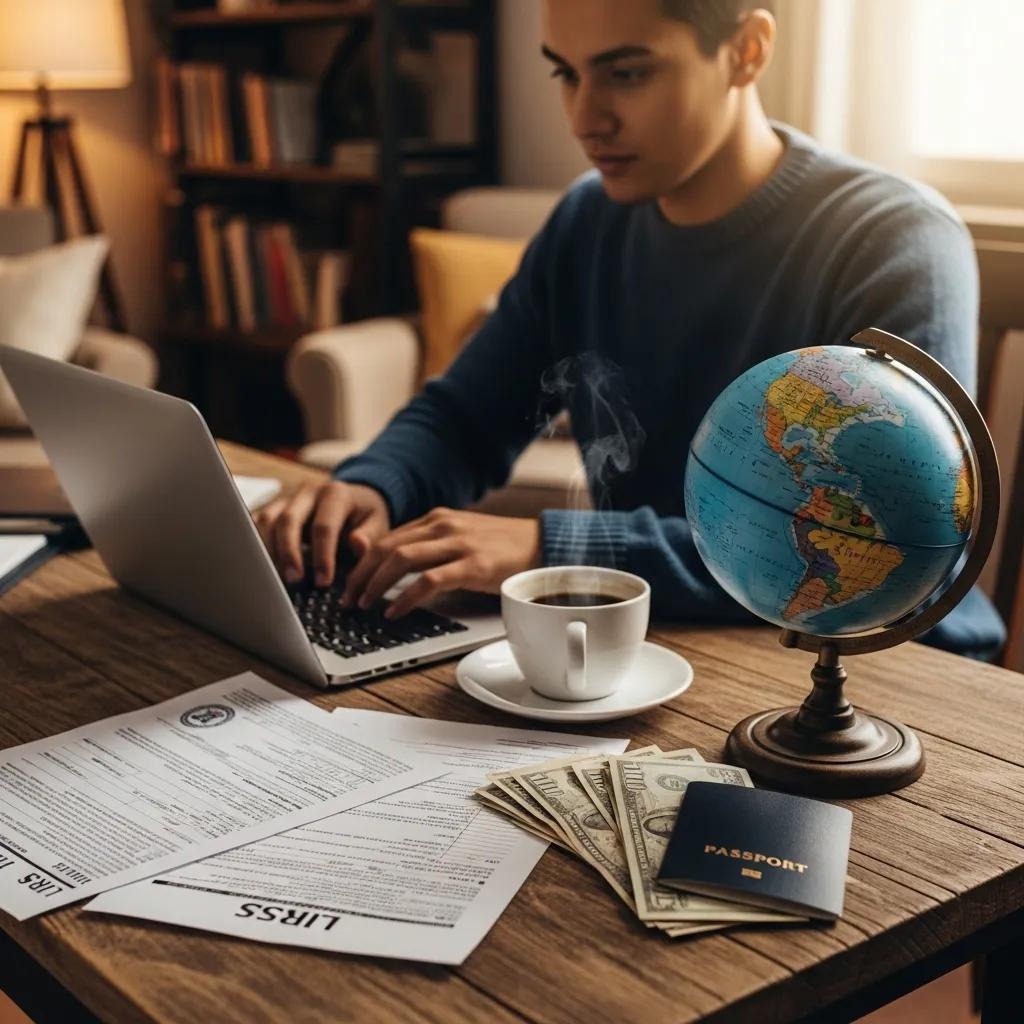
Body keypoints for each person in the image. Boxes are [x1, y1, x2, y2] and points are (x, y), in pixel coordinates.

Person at [255, 0, 1005, 658]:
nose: (585, 118)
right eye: (566, 73)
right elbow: (464, 416)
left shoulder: (894, 238)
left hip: (882, 673)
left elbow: (879, 548)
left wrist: (558, 549)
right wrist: (371, 487)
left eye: (627, 73)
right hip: (652, 638)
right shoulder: (587, 220)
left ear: (747, 51)